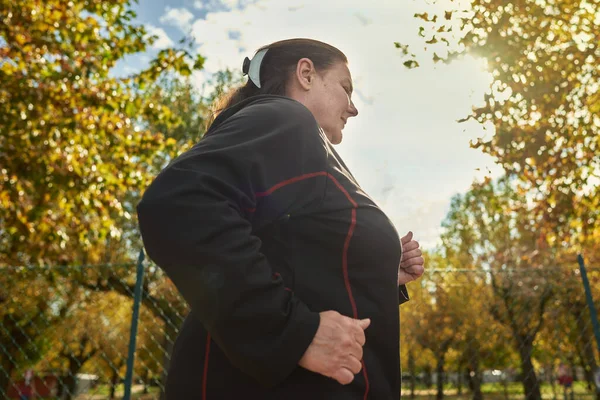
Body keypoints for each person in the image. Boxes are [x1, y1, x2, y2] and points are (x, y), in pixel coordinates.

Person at [137, 38, 425, 399]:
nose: (353, 109)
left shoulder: (296, 139)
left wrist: (374, 271)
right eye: (345, 89)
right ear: (306, 74)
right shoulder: (286, 118)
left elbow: (291, 260)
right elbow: (179, 204)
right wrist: (291, 334)